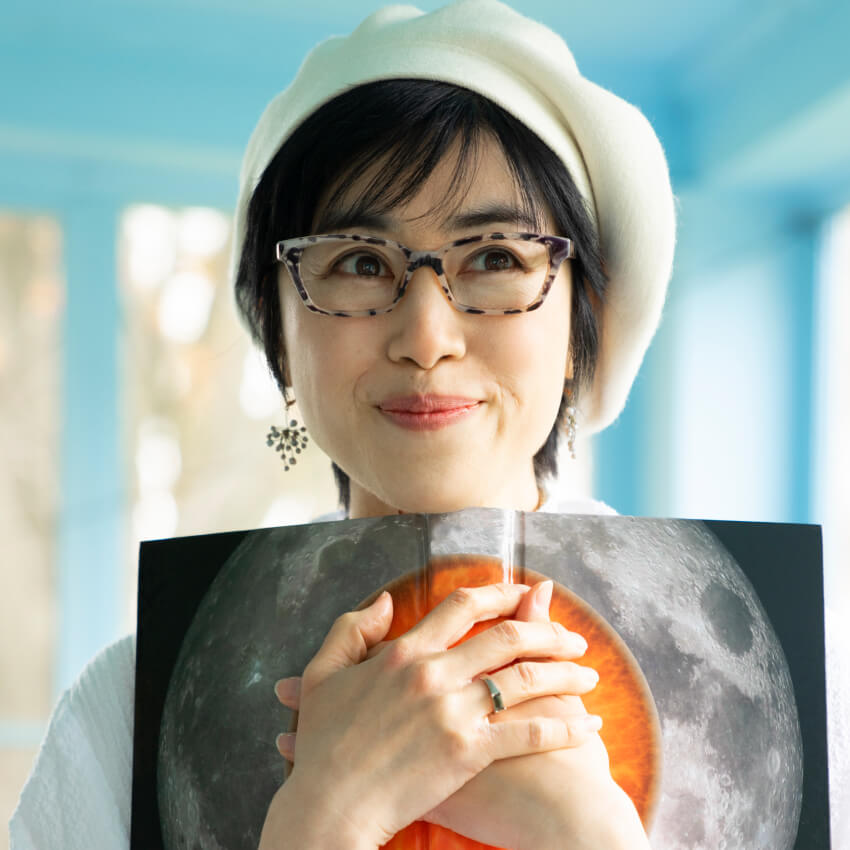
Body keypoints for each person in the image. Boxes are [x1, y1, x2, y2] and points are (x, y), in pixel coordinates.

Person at [12, 1, 846, 848]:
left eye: (495, 257)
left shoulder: (824, 702)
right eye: (358, 263)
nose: (425, 339)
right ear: (277, 331)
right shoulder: (123, 710)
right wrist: (324, 819)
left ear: (581, 319)